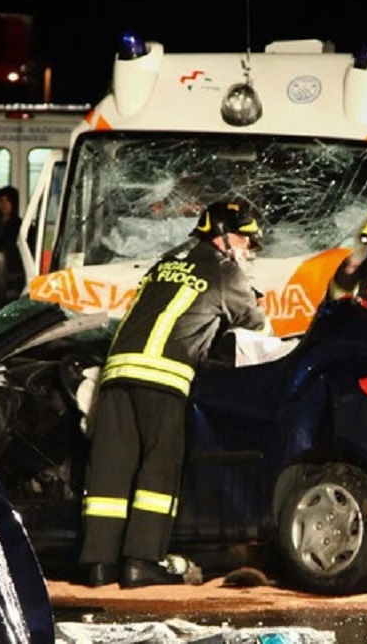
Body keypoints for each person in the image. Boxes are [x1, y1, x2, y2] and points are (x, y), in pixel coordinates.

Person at [79, 200, 269, 588]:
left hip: (116, 373)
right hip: (163, 377)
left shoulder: (166, 262)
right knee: (158, 470)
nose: (247, 248)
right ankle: (140, 562)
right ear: (221, 234)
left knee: (110, 472)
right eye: (244, 239)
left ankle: (98, 565)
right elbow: (255, 328)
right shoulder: (226, 272)